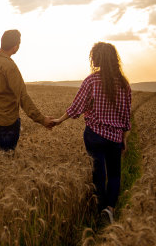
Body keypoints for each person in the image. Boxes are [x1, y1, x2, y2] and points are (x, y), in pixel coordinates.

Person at [51, 42, 131, 224]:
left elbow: (77, 106)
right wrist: (123, 138)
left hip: (94, 135)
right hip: (115, 137)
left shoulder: (92, 81)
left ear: (97, 58)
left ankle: (99, 209)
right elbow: (126, 115)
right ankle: (109, 209)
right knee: (115, 174)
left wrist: (59, 120)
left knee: (98, 174)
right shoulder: (124, 84)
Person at [0, 29, 54, 152]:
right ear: (15, 47)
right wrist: (42, 119)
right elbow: (23, 97)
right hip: (6, 123)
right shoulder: (10, 67)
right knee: (6, 163)